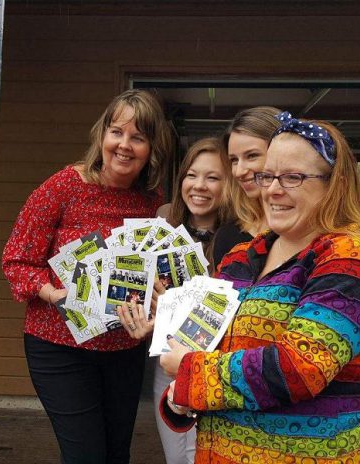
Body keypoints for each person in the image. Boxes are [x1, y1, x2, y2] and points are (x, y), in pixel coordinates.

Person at [159, 113, 360, 463]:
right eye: (268, 176)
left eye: (292, 177)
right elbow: (204, 341)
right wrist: (178, 394)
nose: (272, 189)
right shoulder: (240, 256)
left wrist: (191, 374)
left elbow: (300, 366)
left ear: (333, 183)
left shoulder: (352, 259)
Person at [2, 89, 172, 464]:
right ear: (102, 136)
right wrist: (54, 294)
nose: (124, 145)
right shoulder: (62, 187)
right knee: (86, 455)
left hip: (124, 351)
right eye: (117, 132)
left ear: (151, 148)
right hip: (60, 348)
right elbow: (16, 261)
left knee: (115, 454)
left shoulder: (150, 198)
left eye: (138, 137)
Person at [216, 107, 360, 447]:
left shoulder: (346, 253)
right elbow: (209, 330)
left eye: (252, 157)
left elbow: (313, 356)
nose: (242, 170)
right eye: (233, 160)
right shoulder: (235, 245)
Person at [120, 137, 234, 464]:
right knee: (177, 456)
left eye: (213, 177)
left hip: (221, 368)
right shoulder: (162, 220)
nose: (199, 186)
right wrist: (141, 315)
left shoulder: (242, 236)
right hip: (169, 364)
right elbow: (136, 291)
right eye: (191, 175)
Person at [212, 107, 281, 265]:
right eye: (234, 160)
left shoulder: (310, 233)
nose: (239, 171)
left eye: (252, 156)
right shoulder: (228, 236)